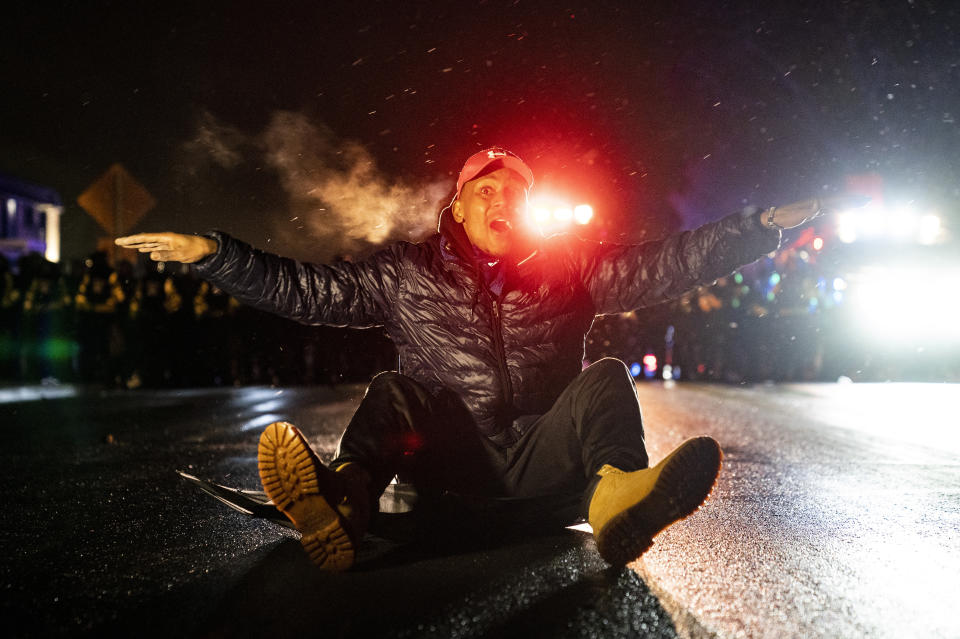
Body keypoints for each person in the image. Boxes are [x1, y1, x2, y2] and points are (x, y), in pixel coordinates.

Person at [117, 147, 827, 571]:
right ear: (457, 207)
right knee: (397, 389)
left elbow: (668, 263)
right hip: (449, 465)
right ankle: (344, 499)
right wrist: (218, 255)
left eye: (516, 194)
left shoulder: (566, 268)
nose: (502, 202)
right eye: (487, 191)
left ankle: (619, 500)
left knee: (607, 376)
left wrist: (755, 229)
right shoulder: (406, 273)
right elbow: (305, 290)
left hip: (546, 474)